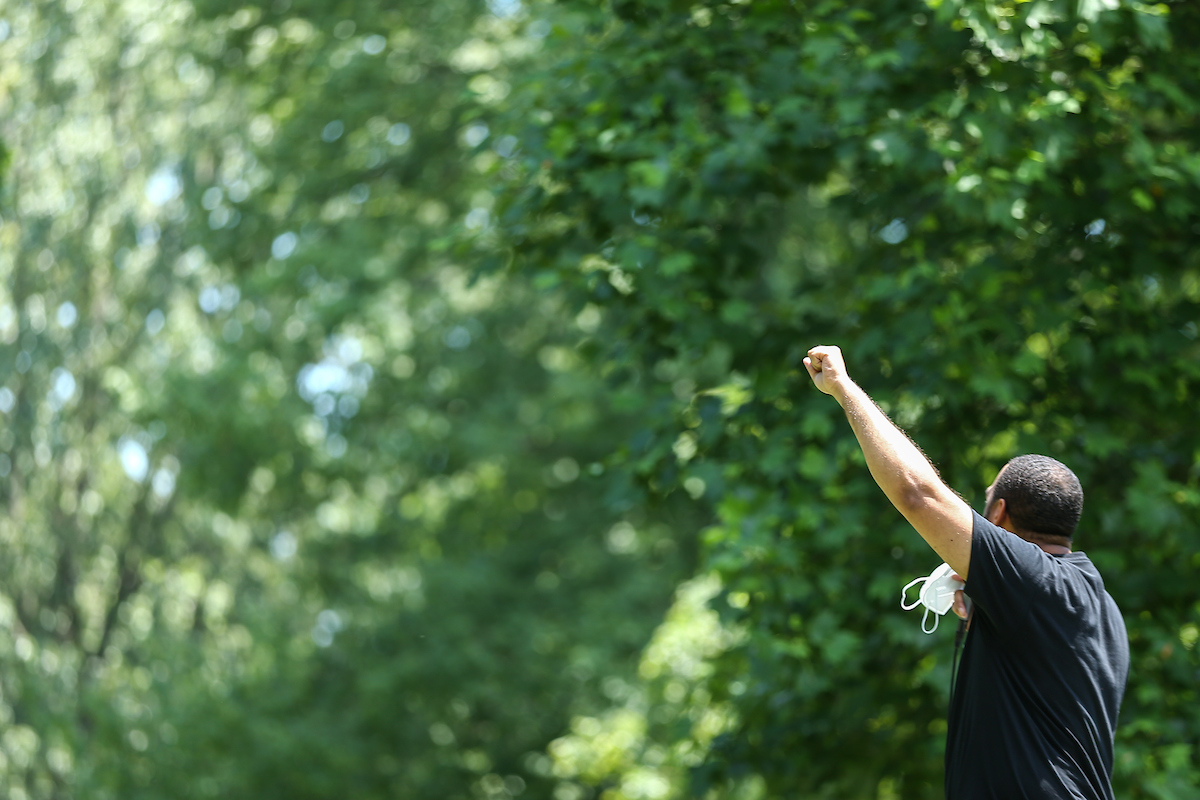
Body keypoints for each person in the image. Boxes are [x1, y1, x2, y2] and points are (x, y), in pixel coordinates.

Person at [803, 345, 1129, 800]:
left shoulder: (1037, 583)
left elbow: (918, 493)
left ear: (998, 514)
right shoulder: (1098, 606)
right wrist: (983, 591)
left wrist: (843, 387)